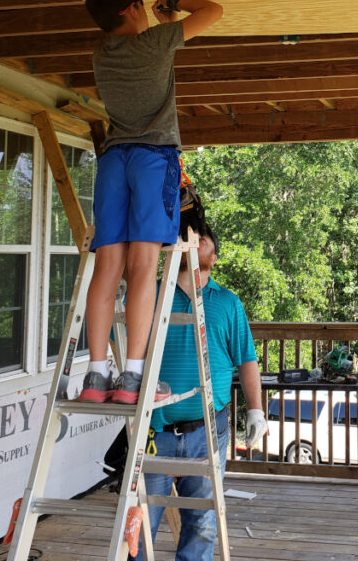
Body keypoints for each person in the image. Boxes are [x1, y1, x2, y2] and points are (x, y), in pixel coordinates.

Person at [79, 0, 223, 403]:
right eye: (140, 2)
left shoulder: (100, 54)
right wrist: (174, 0)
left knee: (108, 268)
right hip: (152, 160)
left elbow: (142, 38)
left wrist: (158, 14)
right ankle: (134, 379)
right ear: (130, 9)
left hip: (114, 162)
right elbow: (214, 12)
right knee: (143, 266)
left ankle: (96, 375)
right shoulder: (156, 42)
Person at [133, 225, 265, 561]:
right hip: (154, 431)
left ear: (213, 258)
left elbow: (247, 360)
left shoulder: (227, 303)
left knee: (202, 523)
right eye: (188, 236)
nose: (194, 238)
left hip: (208, 431)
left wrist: (256, 411)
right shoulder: (151, 294)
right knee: (139, 524)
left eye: (202, 238)